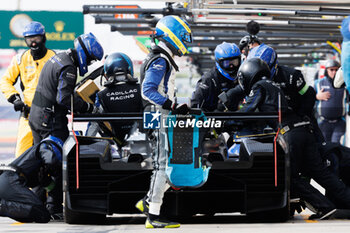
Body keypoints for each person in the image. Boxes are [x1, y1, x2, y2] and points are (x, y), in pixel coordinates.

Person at [237, 58, 350, 220]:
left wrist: (226, 121)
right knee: (321, 173)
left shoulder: (259, 86)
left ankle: (325, 206)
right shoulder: (275, 85)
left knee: (289, 177)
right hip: (304, 129)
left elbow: (247, 111)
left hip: (290, 134)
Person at [135, 15, 192, 228]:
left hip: (159, 116)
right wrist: (172, 106)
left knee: (167, 164)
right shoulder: (160, 60)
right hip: (158, 116)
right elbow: (148, 90)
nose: (185, 43)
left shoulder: (161, 58)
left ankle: (149, 201)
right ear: (173, 35)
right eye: (183, 37)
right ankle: (153, 215)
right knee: (162, 165)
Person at [28, 32, 104, 145]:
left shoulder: (59, 57)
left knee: (39, 155)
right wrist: (88, 107)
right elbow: (64, 98)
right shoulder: (69, 67)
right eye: (91, 60)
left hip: (35, 115)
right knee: (57, 157)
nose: (89, 63)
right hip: (49, 120)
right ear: (85, 54)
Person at [247, 43, 324, 143]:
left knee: (318, 146)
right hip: (267, 124)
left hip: (296, 122)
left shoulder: (292, 76)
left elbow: (309, 94)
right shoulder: (249, 79)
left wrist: (301, 115)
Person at [0, 21, 56, 157]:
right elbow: (5, 81)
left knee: (50, 155)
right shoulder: (20, 59)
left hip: (49, 117)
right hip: (28, 116)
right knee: (21, 156)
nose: (33, 42)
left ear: (44, 37)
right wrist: (15, 98)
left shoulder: (54, 58)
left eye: (36, 38)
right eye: (29, 39)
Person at [86, 52, 143, 149]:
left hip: (116, 144)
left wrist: (86, 145)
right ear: (129, 68)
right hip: (142, 142)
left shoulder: (101, 96)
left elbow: (94, 123)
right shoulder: (141, 89)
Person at [0, 136, 63, 223]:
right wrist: (60, 170)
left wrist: (48, 181)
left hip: (9, 180)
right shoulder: (45, 146)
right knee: (41, 213)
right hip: (10, 179)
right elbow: (51, 160)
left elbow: (50, 187)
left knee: (35, 215)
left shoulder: (40, 162)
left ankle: (2, 205)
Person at [191, 42, 244, 112]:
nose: (232, 66)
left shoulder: (242, 76)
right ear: (218, 62)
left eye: (234, 62)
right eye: (227, 63)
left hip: (238, 117)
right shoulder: (208, 80)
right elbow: (195, 106)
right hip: (213, 119)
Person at [315, 60, 346, 143]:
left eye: (336, 70)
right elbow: (307, 97)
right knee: (325, 145)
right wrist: (317, 96)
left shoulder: (345, 84)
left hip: (339, 122)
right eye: (331, 70)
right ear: (326, 70)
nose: (334, 72)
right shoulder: (319, 83)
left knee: (336, 145)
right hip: (323, 122)